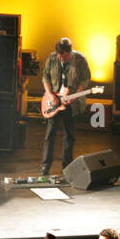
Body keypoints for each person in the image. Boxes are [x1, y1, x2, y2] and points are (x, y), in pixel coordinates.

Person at [40, 37, 92, 177]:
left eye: (65, 56)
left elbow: (85, 79)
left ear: (70, 52)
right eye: (60, 56)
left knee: (69, 136)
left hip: (71, 104)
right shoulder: (52, 59)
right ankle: (45, 167)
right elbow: (45, 77)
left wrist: (76, 94)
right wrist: (51, 95)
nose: (62, 59)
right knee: (50, 135)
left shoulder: (80, 59)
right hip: (53, 102)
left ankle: (67, 167)